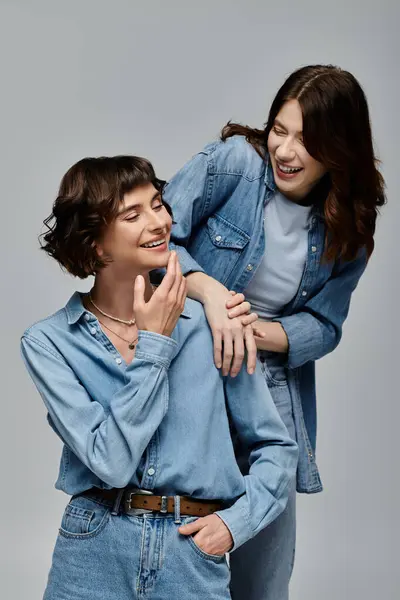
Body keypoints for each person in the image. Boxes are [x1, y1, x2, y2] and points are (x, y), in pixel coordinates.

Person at [20, 156, 297, 600]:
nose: (161, 221)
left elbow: (277, 447)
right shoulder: (49, 343)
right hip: (93, 553)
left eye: (158, 204)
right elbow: (108, 461)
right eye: (134, 214)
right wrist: (154, 346)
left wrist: (234, 525)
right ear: (97, 247)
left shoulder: (213, 324)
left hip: (190, 555)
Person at [162, 64, 386, 600]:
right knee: (175, 551)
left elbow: (324, 326)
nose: (285, 150)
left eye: (307, 140)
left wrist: (254, 332)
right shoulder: (233, 165)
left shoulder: (349, 224)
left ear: (339, 149)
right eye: (279, 130)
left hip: (271, 387)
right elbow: (153, 239)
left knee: (262, 573)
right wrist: (211, 296)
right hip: (192, 365)